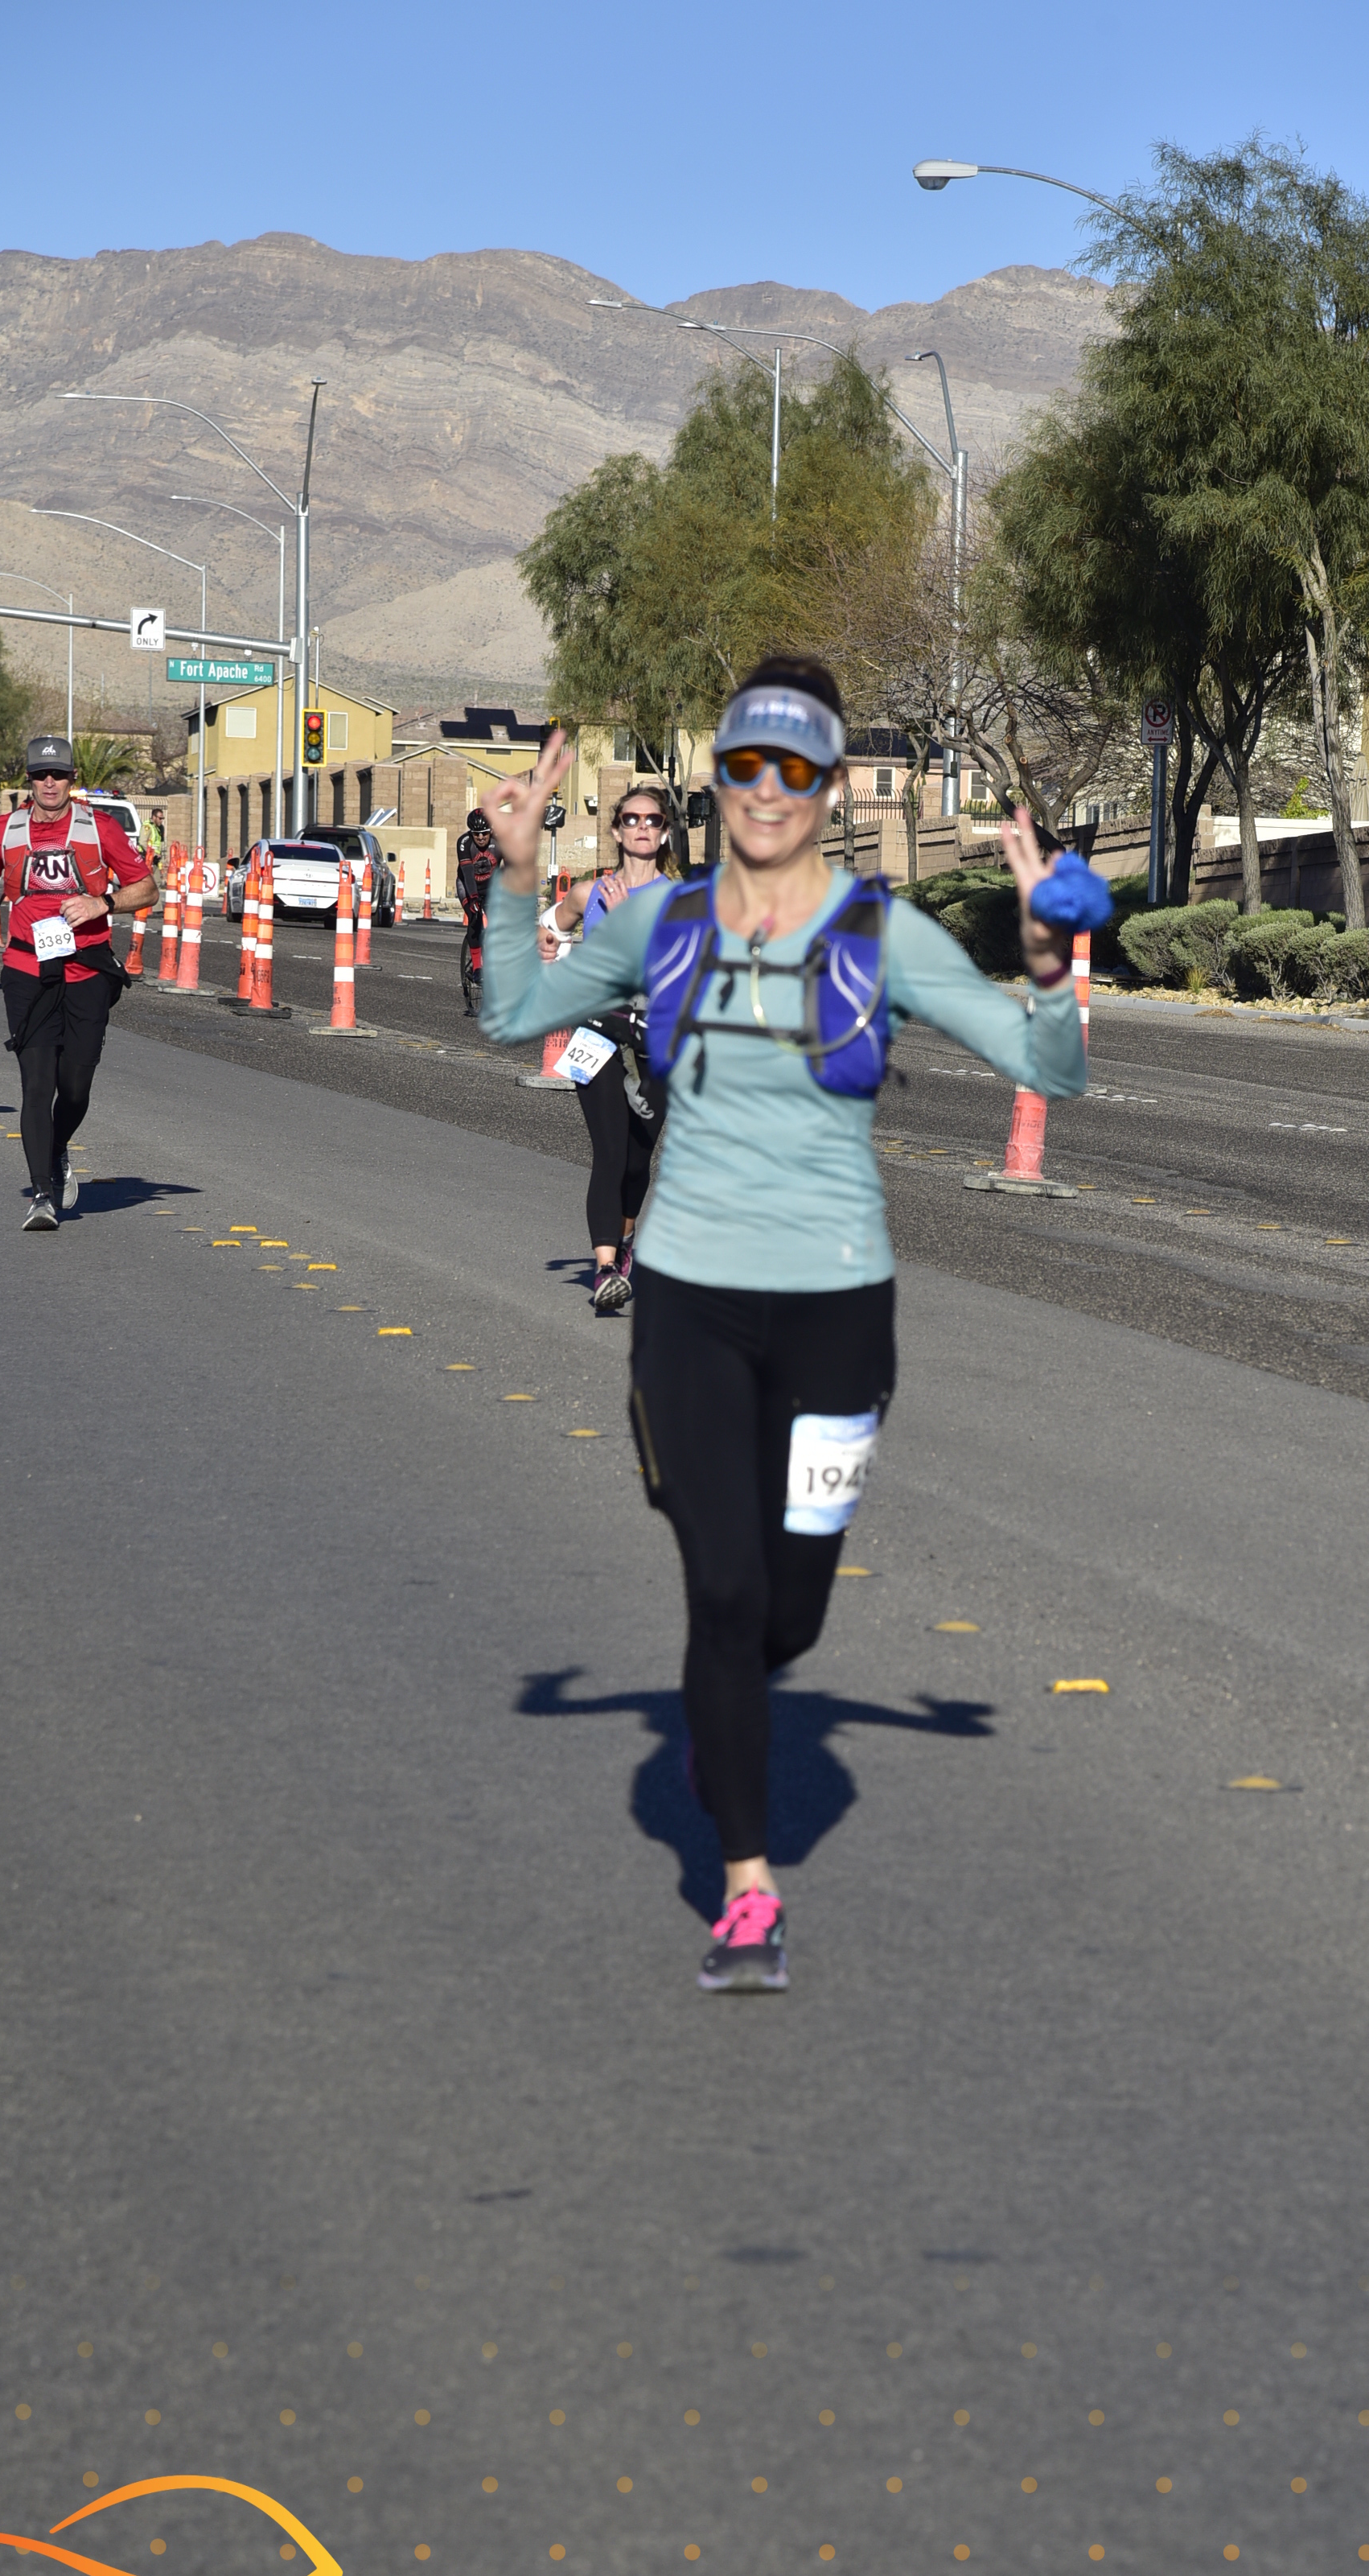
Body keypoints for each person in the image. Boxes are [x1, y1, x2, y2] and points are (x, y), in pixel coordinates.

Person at [479, 656, 1088, 1992]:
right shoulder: (663, 921)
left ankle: (729, 1706)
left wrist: (1050, 958)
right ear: (720, 780)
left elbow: (1048, 1066)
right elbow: (515, 1012)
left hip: (836, 1317)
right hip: (688, 1303)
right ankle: (747, 1890)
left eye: (794, 768)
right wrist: (517, 880)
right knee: (726, 1588)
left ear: (830, 786)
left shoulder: (881, 935)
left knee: (792, 1615)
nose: (766, 790)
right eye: (745, 765)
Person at [0, 734, 156, 1231]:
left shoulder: (100, 827)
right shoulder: (7, 830)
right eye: (40, 775)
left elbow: (146, 887)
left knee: (75, 1087)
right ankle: (41, 1196)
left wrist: (102, 903)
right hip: (28, 971)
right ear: (29, 780)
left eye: (59, 775)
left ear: (73, 779)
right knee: (36, 1083)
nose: (49, 783)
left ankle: (57, 1148)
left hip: (87, 969)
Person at [541, 782, 679, 1311]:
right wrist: (549, 946)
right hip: (597, 1035)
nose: (643, 827)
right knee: (611, 1152)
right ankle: (604, 1270)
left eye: (653, 820)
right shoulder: (588, 893)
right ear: (617, 831)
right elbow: (552, 926)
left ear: (664, 833)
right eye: (632, 819)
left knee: (638, 1161)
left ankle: (624, 1243)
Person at [455, 810, 497, 1018]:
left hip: (491, 888)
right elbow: (468, 873)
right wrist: (472, 899)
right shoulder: (464, 843)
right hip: (467, 885)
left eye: (484, 833)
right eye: (476, 834)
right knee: (475, 918)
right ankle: (478, 967)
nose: (480, 837)